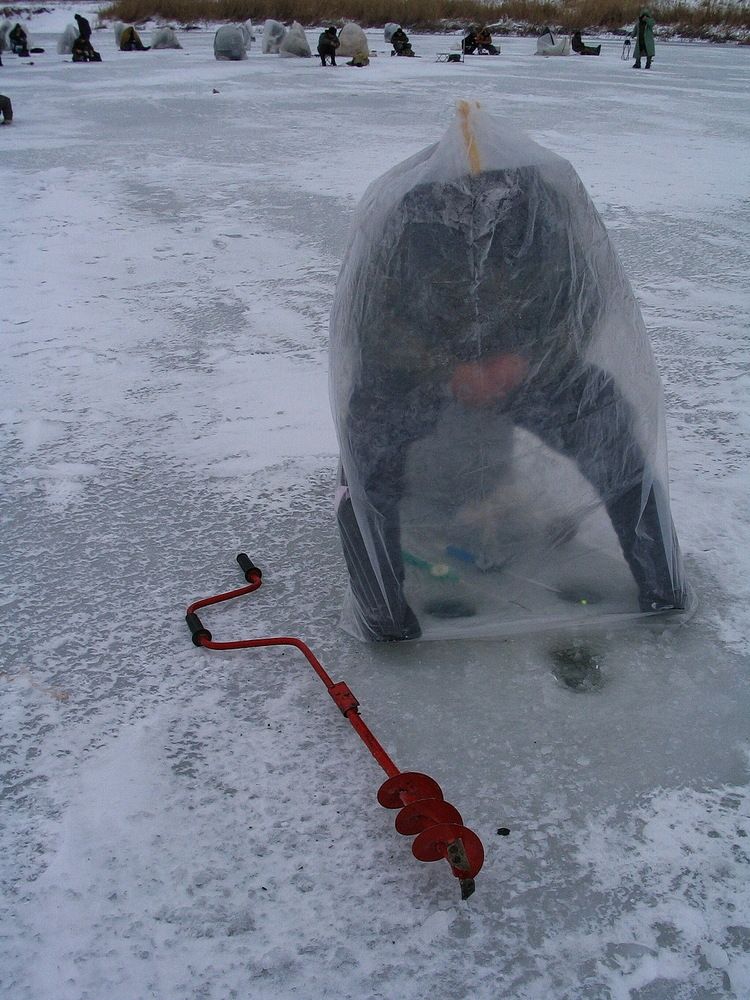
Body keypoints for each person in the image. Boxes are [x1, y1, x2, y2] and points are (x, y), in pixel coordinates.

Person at [330, 107, 688, 641]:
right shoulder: (407, 219)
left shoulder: (546, 210)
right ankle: (382, 608)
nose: (481, 201)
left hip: (529, 372)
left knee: (603, 415)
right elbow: (375, 324)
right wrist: (449, 373)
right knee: (367, 434)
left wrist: (521, 361)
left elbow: (582, 302)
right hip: (425, 378)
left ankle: (662, 584)